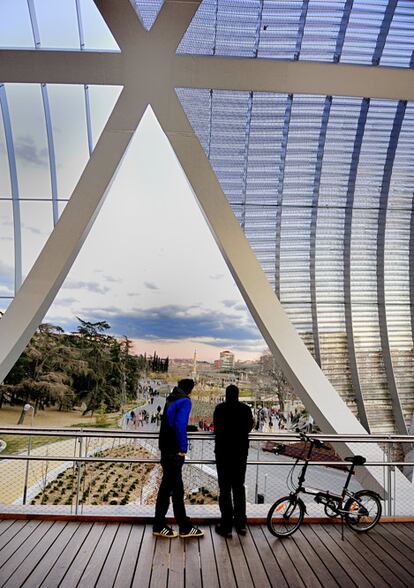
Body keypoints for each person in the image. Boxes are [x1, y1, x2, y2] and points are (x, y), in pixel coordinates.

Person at [153, 378, 204, 539]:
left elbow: (172, 422)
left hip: (165, 448)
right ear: (190, 389)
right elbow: (179, 425)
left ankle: (165, 524)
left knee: (168, 489)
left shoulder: (172, 398)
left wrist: (191, 428)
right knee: (174, 490)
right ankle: (181, 526)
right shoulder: (185, 401)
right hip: (174, 451)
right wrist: (182, 449)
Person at [213, 384, 254, 538]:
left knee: (224, 490)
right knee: (238, 488)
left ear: (226, 394)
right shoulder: (245, 409)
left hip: (223, 453)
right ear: (238, 395)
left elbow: (216, 428)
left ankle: (226, 526)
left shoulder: (220, 409)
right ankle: (241, 524)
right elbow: (249, 426)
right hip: (240, 454)